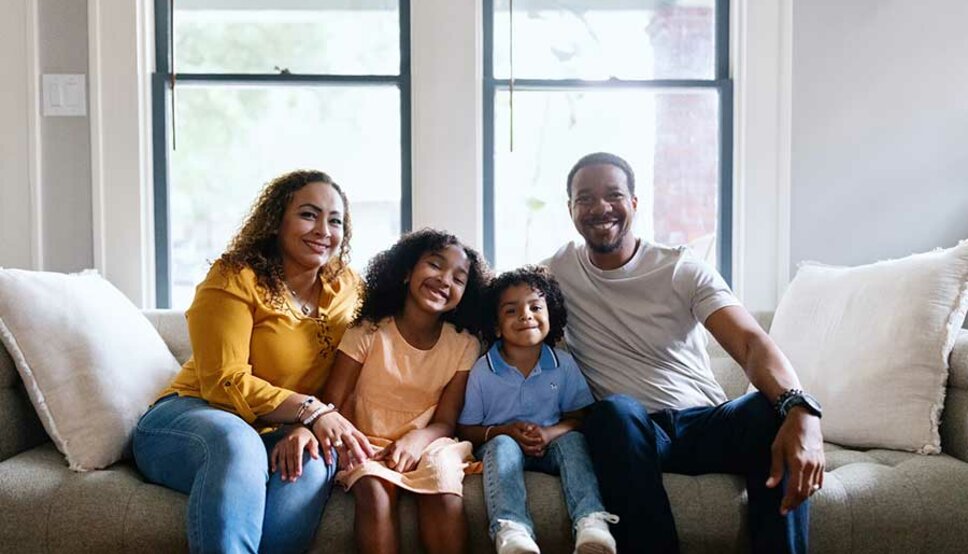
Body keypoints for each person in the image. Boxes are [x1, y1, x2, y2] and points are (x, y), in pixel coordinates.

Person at [543, 152, 825, 554]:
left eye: (613, 195)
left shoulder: (680, 268)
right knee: (611, 413)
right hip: (633, 433)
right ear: (570, 208)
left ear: (634, 203)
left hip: (705, 423)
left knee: (767, 408)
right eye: (584, 198)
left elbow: (750, 342)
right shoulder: (555, 273)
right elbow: (495, 303)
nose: (600, 207)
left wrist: (802, 409)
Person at [133, 169, 374, 554]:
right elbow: (223, 381)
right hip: (194, 415)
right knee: (238, 443)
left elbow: (373, 356)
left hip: (284, 425)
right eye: (308, 215)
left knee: (313, 461)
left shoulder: (348, 286)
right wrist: (310, 411)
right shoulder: (235, 277)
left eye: (335, 221)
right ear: (276, 220)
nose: (323, 230)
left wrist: (307, 426)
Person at [279, 228, 489, 554]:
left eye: (458, 278)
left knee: (442, 487)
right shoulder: (368, 331)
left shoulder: (464, 344)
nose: (445, 280)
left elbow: (446, 421)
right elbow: (332, 402)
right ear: (406, 271)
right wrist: (311, 428)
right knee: (373, 491)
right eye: (435, 265)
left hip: (429, 441)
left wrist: (416, 440)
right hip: (366, 439)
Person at [458, 266, 619, 554]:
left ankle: (591, 522)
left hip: (551, 445)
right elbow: (467, 429)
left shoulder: (563, 364)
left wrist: (549, 433)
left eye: (535, 307)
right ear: (496, 326)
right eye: (511, 310)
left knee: (573, 440)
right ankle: (512, 531)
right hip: (502, 445)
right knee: (503, 446)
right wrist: (505, 431)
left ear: (550, 316)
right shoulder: (483, 371)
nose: (525, 315)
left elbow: (578, 417)